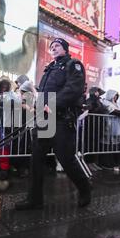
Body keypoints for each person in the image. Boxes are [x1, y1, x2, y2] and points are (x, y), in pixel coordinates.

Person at [15, 38, 91, 210]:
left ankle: (85, 188)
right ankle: (34, 199)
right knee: (36, 159)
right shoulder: (50, 68)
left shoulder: (73, 65)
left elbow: (73, 89)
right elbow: (42, 93)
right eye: (52, 47)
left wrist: (53, 104)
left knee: (66, 160)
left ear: (65, 49)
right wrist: (38, 106)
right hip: (44, 119)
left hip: (62, 120)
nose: (53, 48)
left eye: (57, 46)